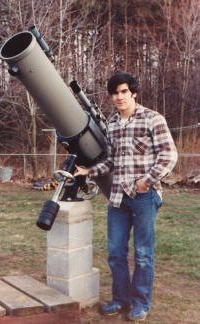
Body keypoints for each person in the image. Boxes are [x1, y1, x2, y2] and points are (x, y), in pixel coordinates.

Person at [74, 72, 178, 321]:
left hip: (144, 197)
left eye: (123, 92)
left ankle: (140, 303)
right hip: (117, 198)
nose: (119, 97)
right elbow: (111, 161)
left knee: (143, 254)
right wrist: (88, 171)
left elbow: (169, 155)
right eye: (114, 93)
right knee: (115, 252)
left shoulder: (153, 119)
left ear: (133, 93)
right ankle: (120, 300)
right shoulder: (112, 123)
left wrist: (147, 181)